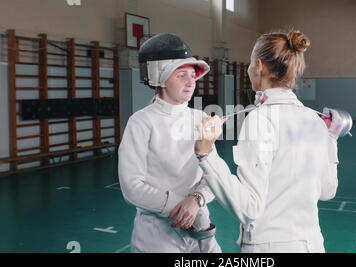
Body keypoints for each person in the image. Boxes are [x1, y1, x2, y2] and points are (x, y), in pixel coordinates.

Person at [194, 29, 343, 253]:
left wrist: (207, 155)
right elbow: (327, 190)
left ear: (260, 66)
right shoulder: (315, 120)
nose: (249, 68)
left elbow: (248, 208)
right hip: (313, 245)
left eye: (251, 62)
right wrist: (331, 139)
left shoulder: (260, 120)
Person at [118, 33, 221, 253]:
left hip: (200, 225)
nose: (190, 82)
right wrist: (180, 207)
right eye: (181, 75)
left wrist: (195, 201)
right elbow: (131, 187)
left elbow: (214, 175)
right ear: (161, 79)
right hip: (156, 235)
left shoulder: (199, 118)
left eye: (193, 75)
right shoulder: (141, 122)